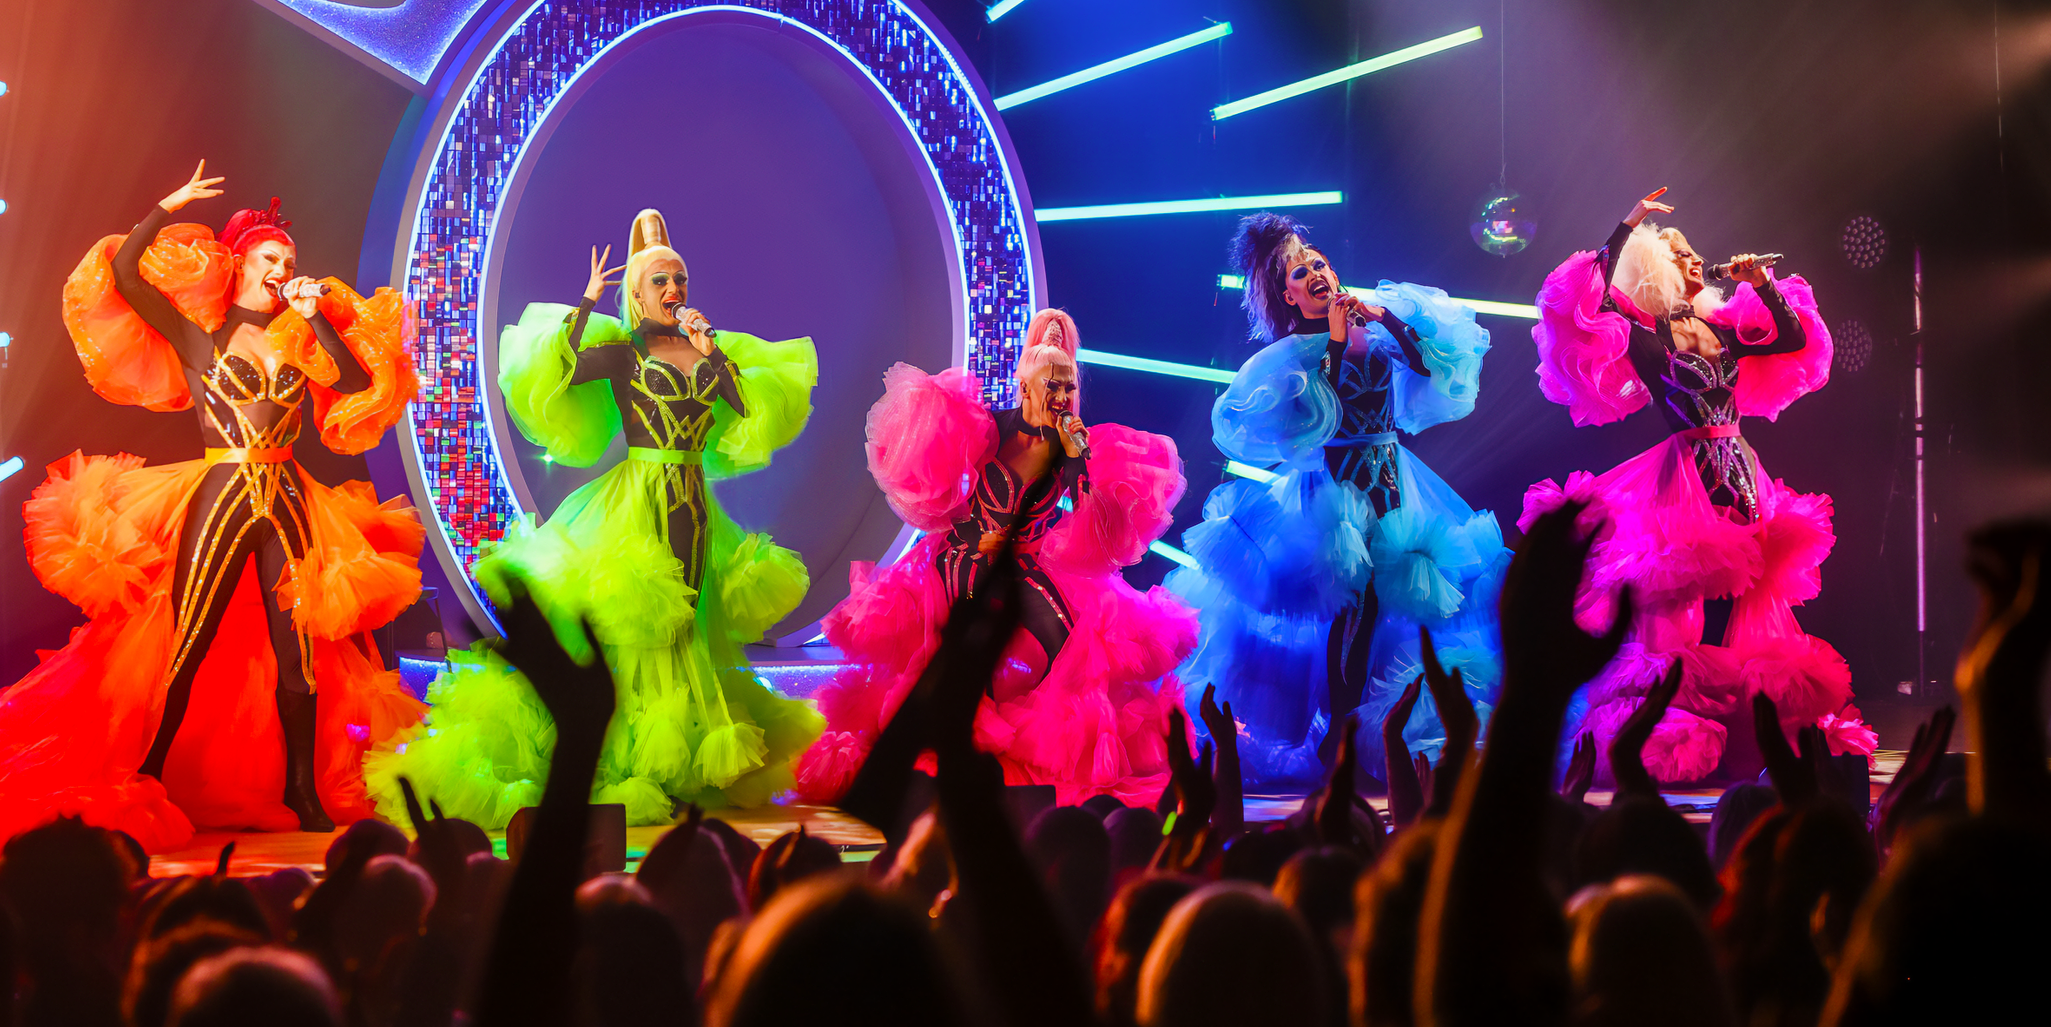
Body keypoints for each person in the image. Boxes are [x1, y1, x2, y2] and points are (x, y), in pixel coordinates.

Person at [0, 165, 425, 852]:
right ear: (239, 264)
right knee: (188, 636)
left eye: (289, 261)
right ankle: (149, 769)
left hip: (289, 496)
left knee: (299, 654)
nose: (282, 268)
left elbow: (355, 381)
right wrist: (163, 206)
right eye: (269, 257)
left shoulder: (299, 337)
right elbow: (127, 275)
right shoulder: (201, 337)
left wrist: (318, 315)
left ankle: (300, 786)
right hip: (221, 491)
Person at [367, 209, 821, 828]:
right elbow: (565, 367)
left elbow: (744, 408)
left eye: (679, 280)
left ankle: (683, 759)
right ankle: (627, 757)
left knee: (691, 620)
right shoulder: (623, 354)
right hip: (635, 498)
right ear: (636, 293)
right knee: (639, 626)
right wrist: (584, 303)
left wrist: (713, 350)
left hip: (692, 502)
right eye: (660, 281)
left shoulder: (706, 352)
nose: (673, 291)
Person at [1524, 187, 1871, 780]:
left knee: (1759, 605)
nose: (1693, 259)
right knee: (1673, 614)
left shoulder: (1722, 332)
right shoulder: (1646, 335)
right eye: (1679, 253)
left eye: (1692, 253)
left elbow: (1791, 339)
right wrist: (1628, 225)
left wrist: (1759, 283)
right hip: (1684, 484)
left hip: (1740, 471)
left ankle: (1763, 732)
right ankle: (1664, 735)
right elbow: (1588, 300)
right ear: (1656, 267)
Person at [792, 309, 1195, 807]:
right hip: (961, 559)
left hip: (1027, 566)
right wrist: (978, 534)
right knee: (958, 641)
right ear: (1025, 388)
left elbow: (1102, 534)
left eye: (1069, 388)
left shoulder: (1070, 447)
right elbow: (939, 496)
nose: (1063, 399)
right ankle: (944, 739)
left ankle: (1034, 748)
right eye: (1053, 388)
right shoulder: (990, 428)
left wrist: (1083, 465)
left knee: (1071, 639)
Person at [1168, 213, 1510, 785]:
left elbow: (1428, 367)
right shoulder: (1295, 356)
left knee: (1396, 609)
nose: (1318, 273)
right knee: (1353, 607)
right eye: (1304, 272)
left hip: (1394, 483)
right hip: (1336, 498)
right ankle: (1343, 733)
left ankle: (1389, 729)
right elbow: (1317, 409)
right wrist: (1332, 335)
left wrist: (1388, 320)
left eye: (1321, 263)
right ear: (1290, 294)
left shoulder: (1370, 332)